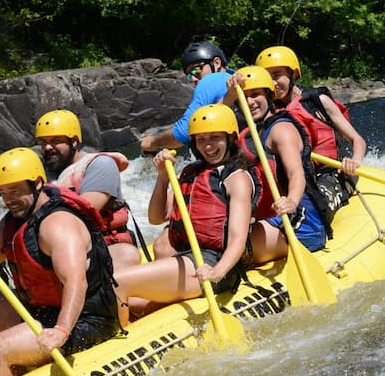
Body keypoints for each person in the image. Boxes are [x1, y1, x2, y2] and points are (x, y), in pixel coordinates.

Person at [0, 147, 121, 376]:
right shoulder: (15, 219)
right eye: (3, 193)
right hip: (40, 311)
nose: (8, 200)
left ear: (38, 183)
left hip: (84, 321)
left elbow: (76, 282)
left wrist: (61, 331)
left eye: (15, 191)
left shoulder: (57, 225)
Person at [114, 105, 253, 325]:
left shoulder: (237, 178)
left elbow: (238, 239)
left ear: (230, 138)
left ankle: (122, 339)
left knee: (118, 282)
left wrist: (218, 271)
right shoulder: (192, 172)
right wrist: (162, 178)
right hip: (187, 257)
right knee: (123, 299)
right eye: (201, 139)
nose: (207, 146)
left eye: (215, 137)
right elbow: (156, 218)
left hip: (213, 264)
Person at [256, 45, 366, 232]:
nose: (273, 83)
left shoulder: (317, 101)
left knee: (314, 205)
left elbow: (357, 139)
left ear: (293, 74)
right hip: (294, 180)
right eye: (268, 77)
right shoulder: (267, 113)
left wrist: (355, 160)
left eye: (277, 75)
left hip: (329, 176)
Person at [226, 65, 327, 262]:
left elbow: (295, 174)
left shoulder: (282, 130)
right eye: (243, 97)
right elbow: (215, 125)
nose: (250, 102)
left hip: (300, 223)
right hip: (268, 219)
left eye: (256, 94)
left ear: (269, 96)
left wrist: (291, 201)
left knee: (232, 246)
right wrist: (229, 95)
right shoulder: (248, 131)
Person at [34, 109, 142, 269]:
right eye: (43, 142)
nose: (48, 147)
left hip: (104, 248)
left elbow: (84, 213)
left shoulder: (101, 164)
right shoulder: (40, 176)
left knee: (126, 255)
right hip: (61, 251)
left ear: (75, 141)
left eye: (56, 140)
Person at [139, 41, 234, 155]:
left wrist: (153, 142)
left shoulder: (210, 81)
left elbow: (183, 132)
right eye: (189, 75)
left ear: (217, 63)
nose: (193, 79)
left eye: (196, 70)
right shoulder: (233, 78)